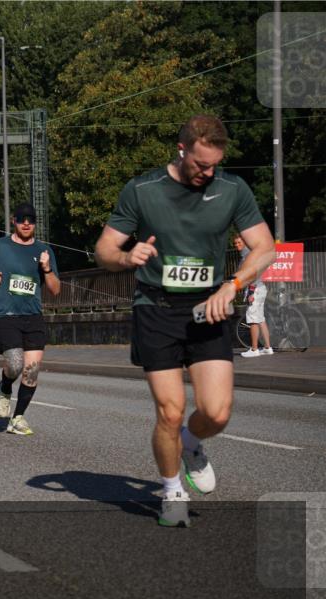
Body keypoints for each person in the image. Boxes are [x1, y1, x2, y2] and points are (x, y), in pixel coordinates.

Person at [94, 114, 275, 527]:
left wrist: (233, 285)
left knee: (217, 412)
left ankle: (191, 443)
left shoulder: (232, 189)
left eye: (214, 165)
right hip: (156, 308)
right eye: (200, 164)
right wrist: (126, 256)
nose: (207, 173)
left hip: (209, 306)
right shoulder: (143, 190)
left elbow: (265, 247)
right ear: (181, 149)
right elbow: (104, 250)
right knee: (170, 411)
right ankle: (172, 489)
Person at [0, 202, 61, 435]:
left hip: (33, 315)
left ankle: (17, 418)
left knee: (32, 370)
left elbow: (55, 289)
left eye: (30, 220)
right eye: (21, 219)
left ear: (35, 223)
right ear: (13, 221)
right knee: (16, 363)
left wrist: (47, 269)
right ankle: (5, 387)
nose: (26, 224)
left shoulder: (44, 250)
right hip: (6, 313)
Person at [234, 235, 273, 357]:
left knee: (252, 319)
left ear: (245, 242)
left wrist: (250, 293)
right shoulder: (249, 254)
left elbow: (253, 275)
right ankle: (267, 348)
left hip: (254, 289)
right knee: (260, 319)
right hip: (260, 287)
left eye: (239, 242)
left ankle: (254, 349)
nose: (237, 245)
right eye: (235, 243)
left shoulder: (248, 256)